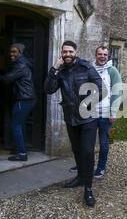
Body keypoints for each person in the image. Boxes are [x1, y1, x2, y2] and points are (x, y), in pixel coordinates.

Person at [44, 41, 105, 207]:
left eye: (70, 51)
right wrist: (54, 69)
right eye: (65, 52)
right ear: (61, 53)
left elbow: (101, 89)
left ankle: (88, 188)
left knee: (87, 151)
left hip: (88, 118)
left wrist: (86, 105)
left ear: (75, 52)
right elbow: (48, 89)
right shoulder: (61, 70)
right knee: (77, 150)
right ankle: (79, 177)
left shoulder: (85, 68)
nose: (67, 54)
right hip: (71, 118)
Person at [69, 46, 122, 178]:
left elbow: (117, 92)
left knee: (104, 142)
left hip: (105, 113)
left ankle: (101, 168)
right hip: (90, 112)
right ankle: (83, 165)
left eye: (105, 54)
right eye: (100, 54)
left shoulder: (112, 71)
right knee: (86, 143)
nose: (102, 56)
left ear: (108, 56)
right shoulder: (89, 68)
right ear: (96, 55)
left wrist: (113, 111)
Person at [0, 43, 37, 162]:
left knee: (16, 125)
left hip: (24, 99)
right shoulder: (22, 63)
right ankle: (21, 148)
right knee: (20, 124)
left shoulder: (20, 65)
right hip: (27, 99)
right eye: (11, 51)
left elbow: (7, 79)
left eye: (14, 52)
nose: (11, 54)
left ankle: (22, 153)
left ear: (20, 53)